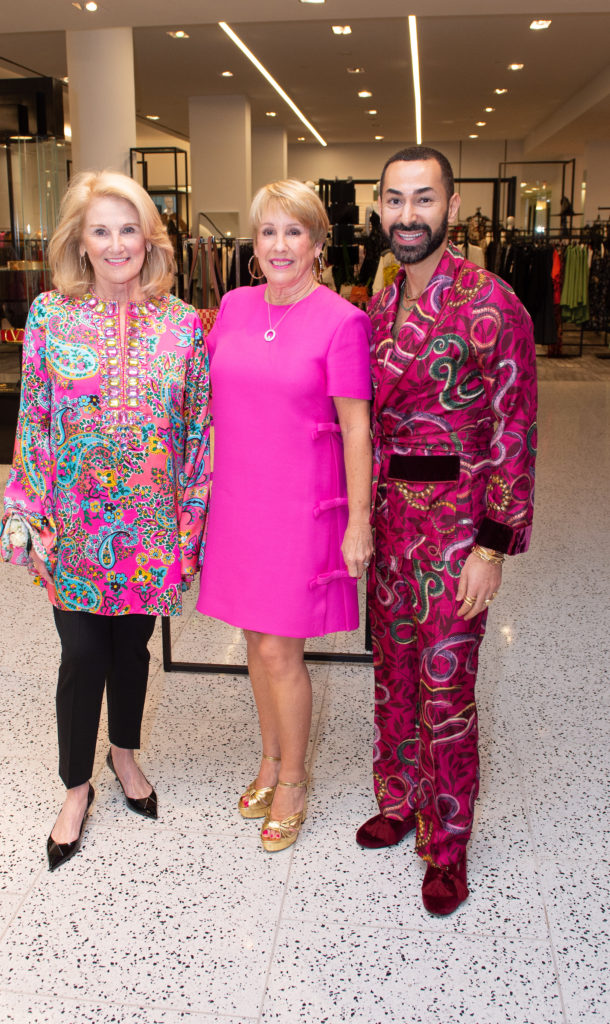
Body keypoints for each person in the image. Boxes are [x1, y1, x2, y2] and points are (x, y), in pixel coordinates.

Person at [0, 170, 210, 871]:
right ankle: (75, 786)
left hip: (152, 529)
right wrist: (26, 512)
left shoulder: (183, 324)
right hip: (74, 529)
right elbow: (34, 420)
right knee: (83, 652)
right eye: (101, 230)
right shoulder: (49, 316)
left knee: (132, 650)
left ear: (149, 237)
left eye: (128, 229)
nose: (117, 244)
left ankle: (124, 753)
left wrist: (191, 528)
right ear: (80, 241)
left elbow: (198, 434)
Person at [359, 146, 537, 914]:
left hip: (460, 530)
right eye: (395, 199)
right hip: (389, 525)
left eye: (423, 198)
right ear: (379, 209)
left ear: (452, 207)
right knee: (394, 672)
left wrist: (492, 548)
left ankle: (450, 841)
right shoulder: (377, 306)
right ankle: (401, 797)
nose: (408, 215)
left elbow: (515, 430)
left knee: (446, 687)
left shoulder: (494, 304)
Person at [197, 179, 372, 852]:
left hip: (300, 506)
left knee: (279, 649)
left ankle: (294, 779)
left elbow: (357, 429)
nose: (279, 245)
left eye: (293, 231)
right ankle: (270, 759)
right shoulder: (234, 306)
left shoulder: (341, 320)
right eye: (267, 231)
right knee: (253, 640)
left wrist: (359, 521)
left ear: (318, 243)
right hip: (238, 499)